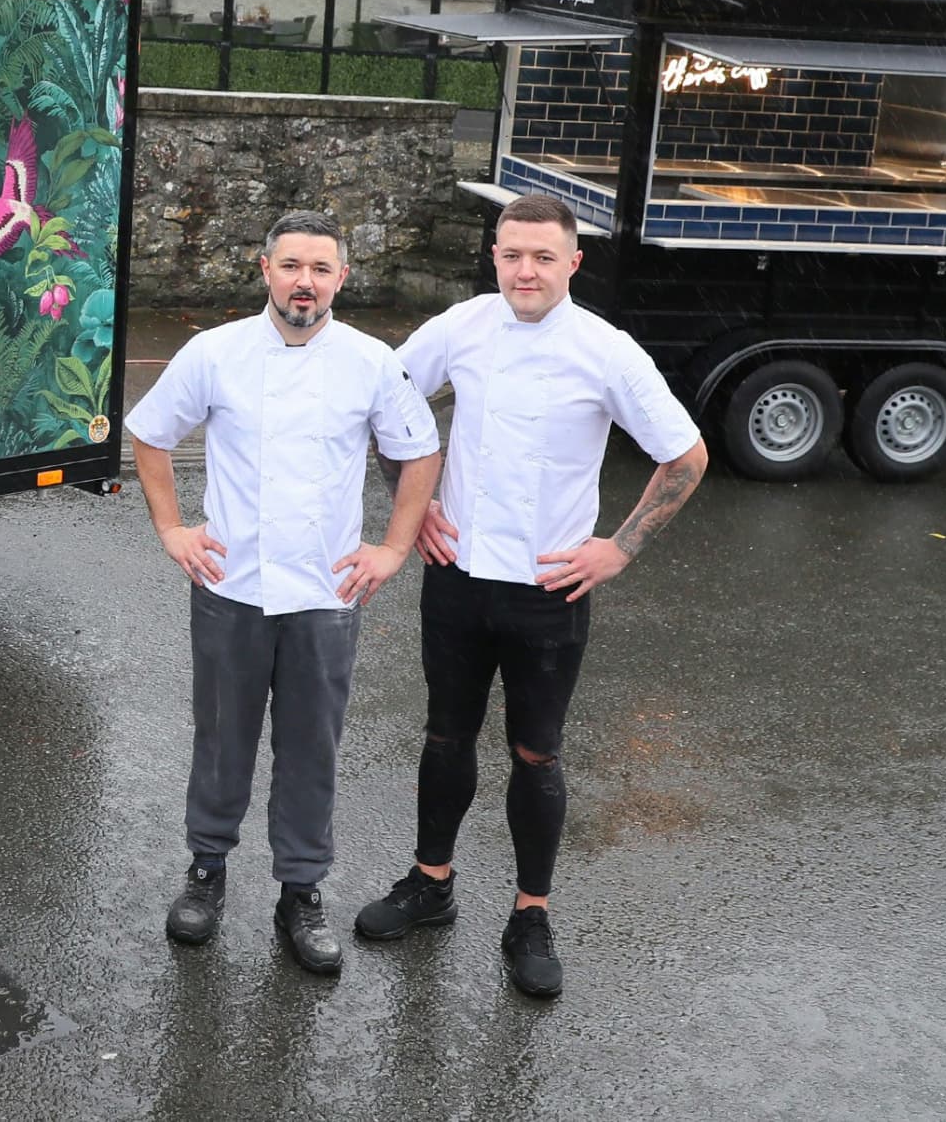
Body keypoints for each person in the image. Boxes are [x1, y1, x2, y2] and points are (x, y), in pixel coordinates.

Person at [353, 192, 706, 999]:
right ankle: (430, 882)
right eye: (512, 253)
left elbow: (685, 456)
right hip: (457, 577)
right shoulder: (463, 326)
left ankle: (529, 914)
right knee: (445, 737)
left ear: (572, 262)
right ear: (494, 256)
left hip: (549, 588)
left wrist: (617, 547)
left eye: (543, 256)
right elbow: (388, 403)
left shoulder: (605, 351)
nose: (525, 270)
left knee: (535, 752)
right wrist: (418, 507)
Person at [127, 208, 444, 976]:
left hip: (325, 591)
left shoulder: (369, 361)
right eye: (292, 265)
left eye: (321, 268)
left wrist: (394, 546)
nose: (305, 281)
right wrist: (173, 530)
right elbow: (150, 434)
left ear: (342, 277)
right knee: (221, 736)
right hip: (230, 584)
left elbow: (419, 452)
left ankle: (300, 890)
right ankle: (206, 871)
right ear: (263, 268)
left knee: (310, 748)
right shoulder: (216, 352)